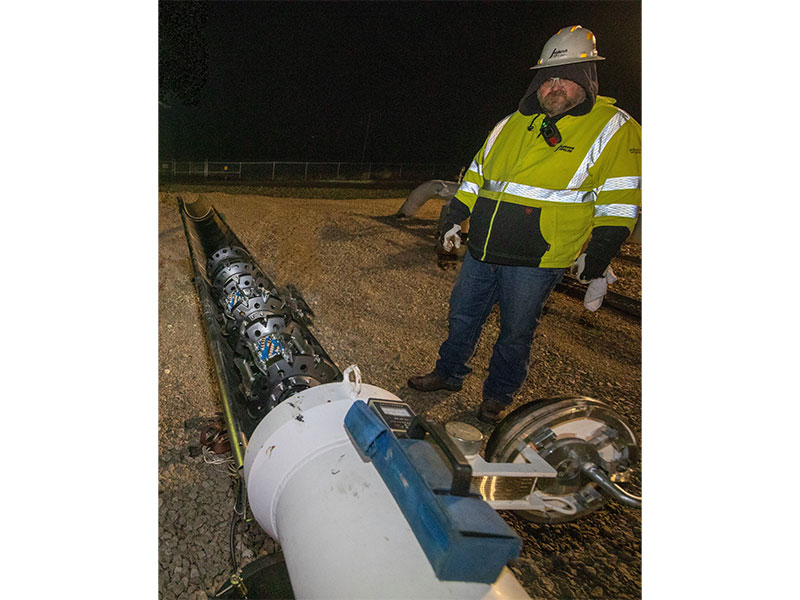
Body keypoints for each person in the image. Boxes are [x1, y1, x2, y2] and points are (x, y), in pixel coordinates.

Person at [408, 25, 641, 424]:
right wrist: (453, 217)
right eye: (548, 79)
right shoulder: (513, 123)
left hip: (538, 257)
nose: (555, 87)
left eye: (566, 78)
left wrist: (600, 253)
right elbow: (477, 177)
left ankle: (497, 396)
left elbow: (620, 202)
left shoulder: (614, 128)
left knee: (516, 332)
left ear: (587, 80)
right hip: (483, 248)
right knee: (462, 315)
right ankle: (448, 373)